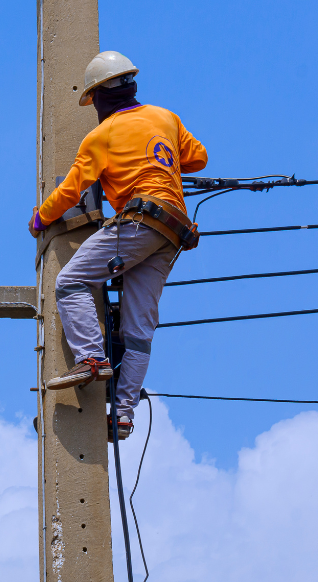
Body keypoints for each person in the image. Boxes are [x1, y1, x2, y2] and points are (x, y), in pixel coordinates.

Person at [28, 51, 208, 440]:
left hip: (140, 222)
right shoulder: (165, 117)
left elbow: (71, 190)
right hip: (173, 232)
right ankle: (122, 415)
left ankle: (91, 358)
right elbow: (198, 159)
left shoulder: (101, 136)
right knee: (138, 330)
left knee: (72, 282)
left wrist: (40, 218)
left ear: (99, 97)